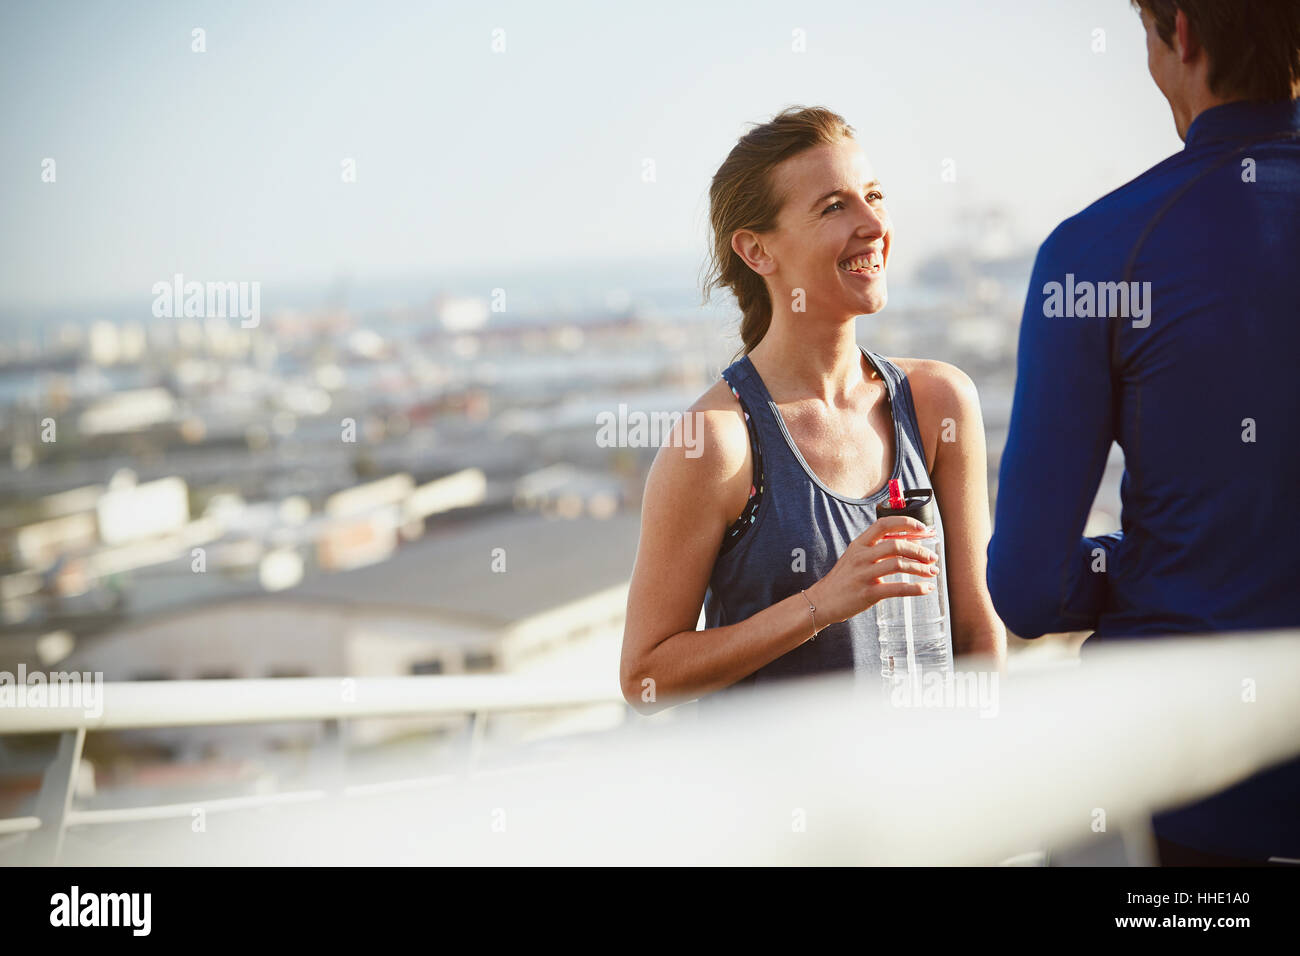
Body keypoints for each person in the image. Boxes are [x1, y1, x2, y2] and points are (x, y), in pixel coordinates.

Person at [987, 0, 1300, 865]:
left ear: (1182, 34)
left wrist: (1143, 560)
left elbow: (1026, 587)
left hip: (1202, 801)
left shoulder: (1099, 252)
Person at [620, 106, 1006, 716]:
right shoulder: (719, 440)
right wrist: (823, 603)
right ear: (756, 250)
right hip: (771, 804)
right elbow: (646, 676)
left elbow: (976, 630)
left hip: (925, 799)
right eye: (834, 207)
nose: (874, 224)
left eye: (874, 196)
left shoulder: (940, 404)